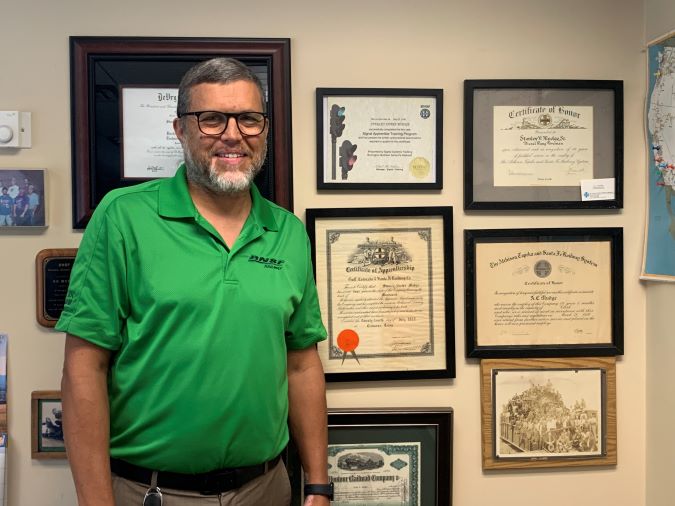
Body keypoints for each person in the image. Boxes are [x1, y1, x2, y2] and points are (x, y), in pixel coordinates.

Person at [57, 57, 331, 506]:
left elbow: (301, 363)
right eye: (211, 119)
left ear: (264, 128)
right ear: (180, 129)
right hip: (150, 490)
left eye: (248, 118)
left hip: (265, 488)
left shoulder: (287, 232)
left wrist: (318, 484)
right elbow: (83, 368)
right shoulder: (123, 217)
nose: (232, 134)